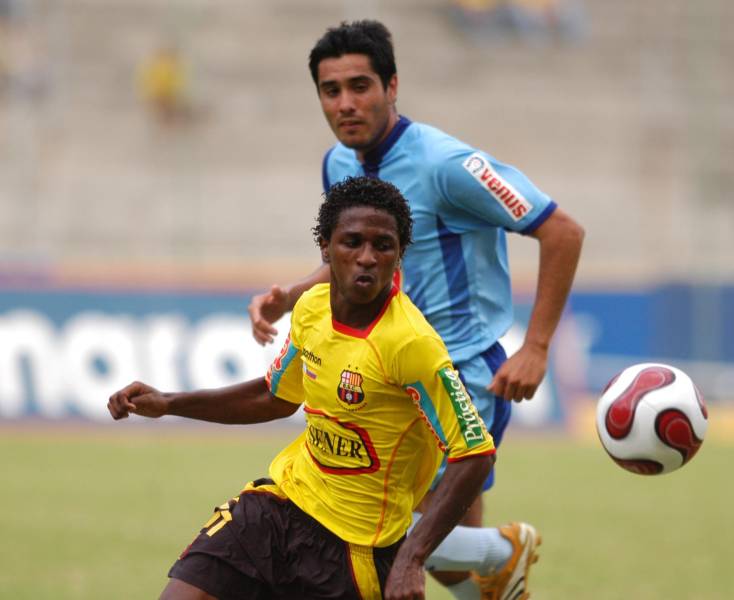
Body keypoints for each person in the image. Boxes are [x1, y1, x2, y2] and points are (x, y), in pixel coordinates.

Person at [247, 20, 585, 600]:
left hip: (457, 370)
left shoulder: (447, 166)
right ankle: (495, 566)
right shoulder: (338, 165)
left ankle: (504, 554)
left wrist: (535, 346)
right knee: (453, 560)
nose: (346, 103)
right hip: (388, 371)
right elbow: (354, 257)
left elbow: (562, 231)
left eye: (361, 86)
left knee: (382, 532)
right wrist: (293, 293)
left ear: (393, 85)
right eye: (332, 91)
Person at [107, 176, 496, 600]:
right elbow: (274, 396)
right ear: (326, 249)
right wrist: (169, 402)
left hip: (355, 552)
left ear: (399, 255)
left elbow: (474, 453)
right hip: (279, 507)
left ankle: (500, 556)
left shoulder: (411, 344)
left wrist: (412, 559)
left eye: (383, 246)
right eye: (352, 242)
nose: (367, 257)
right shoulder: (312, 308)